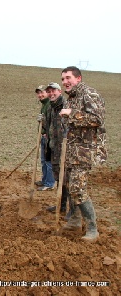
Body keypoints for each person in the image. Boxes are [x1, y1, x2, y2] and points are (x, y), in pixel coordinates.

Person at [59, 66, 107, 243]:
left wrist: (72, 114)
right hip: (73, 151)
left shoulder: (89, 94)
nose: (65, 82)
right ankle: (75, 220)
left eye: (68, 78)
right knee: (71, 185)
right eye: (63, 79)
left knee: (78, 188)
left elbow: (97, 119)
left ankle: (92, 229)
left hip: (85, 151)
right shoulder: (71, 98)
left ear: (78, 78)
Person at [43, 82, 71, 217]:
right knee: (58, 177)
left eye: (54, 91)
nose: (51, 93)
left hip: (66, 148)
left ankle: (71, 210)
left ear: (60, 91)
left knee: (67, 178)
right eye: (49, 91)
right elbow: (48, 126)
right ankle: (61, 205)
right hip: (54, 147)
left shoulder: (66, 106)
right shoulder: (50, 107)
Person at [35, 85, 55, 191]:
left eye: (42, 92)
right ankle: (44, 180)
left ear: (47, 93)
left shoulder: (49, 104)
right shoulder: (44, 104)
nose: (40, 95)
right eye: (38, 93)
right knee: (43, 160)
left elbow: (53, 122)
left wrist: (45, 128)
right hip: (43, 136)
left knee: (48, 161)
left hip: (49, 138)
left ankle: (49, 183)